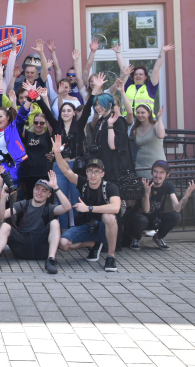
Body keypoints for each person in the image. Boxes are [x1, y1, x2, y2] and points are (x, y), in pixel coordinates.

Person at [0, 171, 71, 274]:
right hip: (22, 246)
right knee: (5, 225)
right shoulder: (23, 204)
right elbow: (1, 216)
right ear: (33, 189)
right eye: (37, 189)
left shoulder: (50, 208)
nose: (39, 193)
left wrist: (55, 186)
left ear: (49, 194)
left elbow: (67, 207)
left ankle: (51, 260)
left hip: (41, 248)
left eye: (44, 191)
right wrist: (3, 197)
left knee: (55, 223)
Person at [36, 73, 101, 229]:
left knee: (77, 198)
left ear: (74, 113)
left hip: (76, 166)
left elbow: (88, 106)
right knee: (61, 198)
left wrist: (95, 89)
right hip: (59, 166)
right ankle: (64, 229)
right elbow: (45, 110)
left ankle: (78, 228)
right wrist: (37, 96)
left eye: (68, 110)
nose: (65, 113)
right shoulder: (56, 125)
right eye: (63, 110)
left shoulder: (79, 126)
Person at [53, 138, 121, 273]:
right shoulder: (83, 183)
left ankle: (110, 256)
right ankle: (93, 244)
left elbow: (115, 207)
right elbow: (66, 171)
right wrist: (57, 153)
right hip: (89, 226)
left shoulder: (110, 187)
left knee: (109, 217)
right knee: (63, 244)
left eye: (97, 171)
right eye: (90, 171)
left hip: (104, 227)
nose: (93, 174)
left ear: (103, 174)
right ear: (87, 173)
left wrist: (89, 208)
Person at [130, 161, 195, 250]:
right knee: (141, 219)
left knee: (176, 216)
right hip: (143, 216)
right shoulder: (146, 184)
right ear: (152, 172)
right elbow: (146, 210)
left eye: (162, 172)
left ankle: (158, 237)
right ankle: (136, 238)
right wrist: (147, 194)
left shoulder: (169, 185)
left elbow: (177, 208)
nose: (158, 175)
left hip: (157, 216)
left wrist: (187, 194)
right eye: (155, 171)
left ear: (167, 175)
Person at [113, 42, 173, 115]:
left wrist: (162, 51)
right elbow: (123, 69)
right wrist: (118, 52)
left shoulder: (150, 87)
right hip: (128, 121)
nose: (138, 76)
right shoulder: (128, 86)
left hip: (146, 122)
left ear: (145, 77)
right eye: (136, 74)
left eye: (141, 74)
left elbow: (156, 69)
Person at [87, 94, 129, 184]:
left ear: (110, 105)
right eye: (96, 105)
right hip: (101, 165)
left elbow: (113, 145)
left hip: (114, 168)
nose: (98, 107)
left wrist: (110, 125)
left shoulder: (118, 120)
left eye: (101, 104)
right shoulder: (100, 120)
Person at [132, 105, 166, 178]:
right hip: (140, 165)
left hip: (156, 164)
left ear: (149, 114)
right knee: (143, 187)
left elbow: (161, 135)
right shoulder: (135, 129)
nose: (140, 115)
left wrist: (159, 118)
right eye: (138, 113)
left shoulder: (156, 125)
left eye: (143, 113)